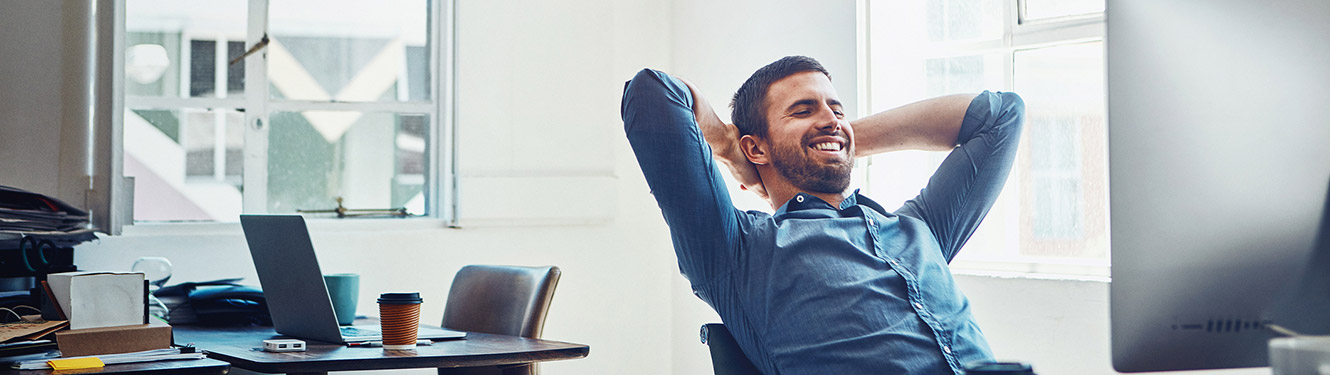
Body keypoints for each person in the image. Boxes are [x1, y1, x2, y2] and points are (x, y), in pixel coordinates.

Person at [621, 56, 1024, 374]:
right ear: (755, 148)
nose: (831, 118)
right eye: (803, 110)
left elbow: (1002, 114)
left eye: (836, 109)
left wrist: (838, 138)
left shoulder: (917, 229)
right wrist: (729, 145)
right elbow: (653, 93)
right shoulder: (737, 250)